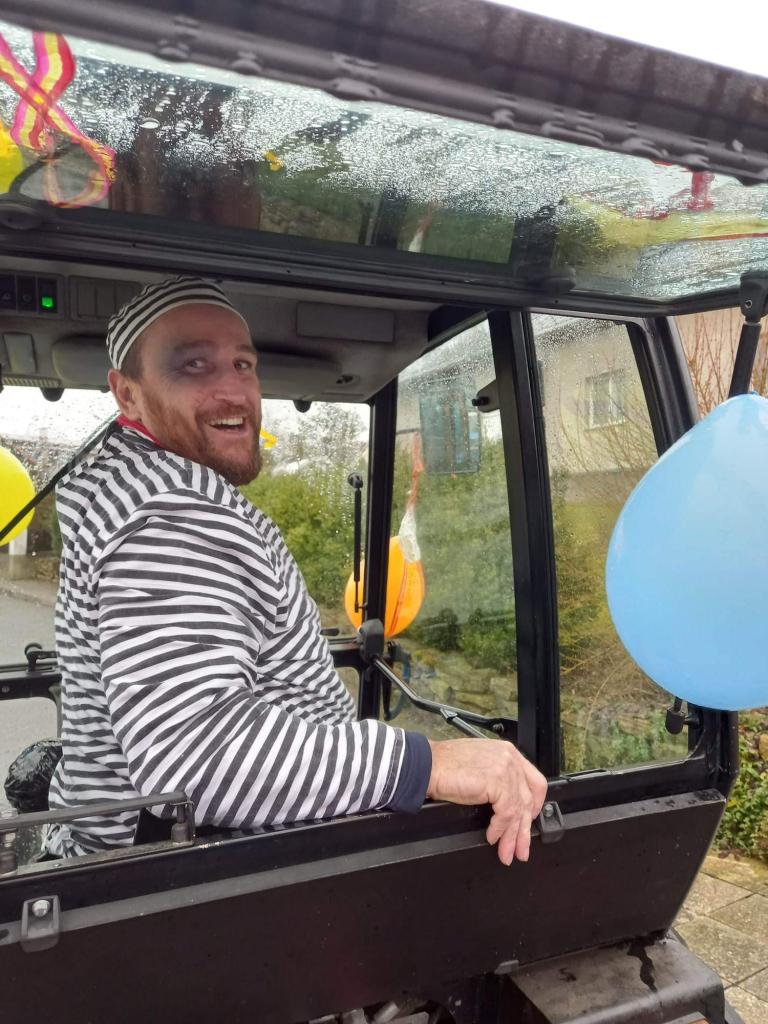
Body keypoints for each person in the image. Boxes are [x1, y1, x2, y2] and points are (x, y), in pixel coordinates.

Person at [44, 276, 547, 863]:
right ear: (127, 394)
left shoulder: (137, 489)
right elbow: (198, 755)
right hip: (189, 880)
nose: (234, 391)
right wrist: (426, 763)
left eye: (243, 364)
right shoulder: (170, 511)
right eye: (194, 365)